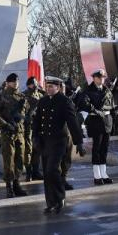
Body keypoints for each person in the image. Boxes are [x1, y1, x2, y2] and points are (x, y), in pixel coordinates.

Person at [32, 76, 86, 214]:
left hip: (58, 142)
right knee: (46, 173)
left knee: (52, 170)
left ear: (58, 87)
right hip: (45, 142)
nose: (48, 88)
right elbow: (37, 121)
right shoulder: (42, 101)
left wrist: (79, 142)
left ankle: (60, 197)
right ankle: (50, 202)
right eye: (47, 86)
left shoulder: (64, 101)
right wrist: (35, 137)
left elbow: (73, 123)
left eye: (51, 86)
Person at [0, 72, 29, 198]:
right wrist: (5, 124)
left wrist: (21, 119)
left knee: (19, 159)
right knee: (8, 160)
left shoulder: (21, 96)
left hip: (20, 132)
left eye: (16, 81)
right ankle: (9, 187)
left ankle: (17, 184)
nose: (15, 83)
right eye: (13, 82)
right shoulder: (1, 96)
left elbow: (25, 113)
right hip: (7, 133)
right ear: (8, 83)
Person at [80, 68, 115, 185]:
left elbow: (112, 105)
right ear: (94, 78)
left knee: (105, 148)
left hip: (107, 122)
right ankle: (97, 175)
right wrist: (95, 110)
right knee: (97, 148)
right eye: (99, 77)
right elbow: (85, 104)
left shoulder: (107, 90)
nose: (101, 79)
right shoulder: (88, 91)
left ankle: (104, 173)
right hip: (95, 122)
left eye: (103, 77)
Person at [22, 76, 44, 181]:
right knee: (28, 149)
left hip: (38, 126)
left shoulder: (40, 94)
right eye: (32, 84)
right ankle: (28, 172)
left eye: (36, 83)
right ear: (28, 85)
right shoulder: (24, 95)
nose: (34, 85)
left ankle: (36, 171)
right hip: (28, 126)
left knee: (37, 149)